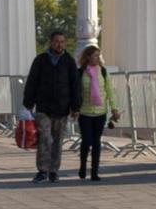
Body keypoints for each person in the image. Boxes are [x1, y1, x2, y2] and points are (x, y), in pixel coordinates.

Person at [20, 29, 79, 183]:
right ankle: (42, 170)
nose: (59, 44)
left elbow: (75, 85)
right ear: (51, 42)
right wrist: (28, 103)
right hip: (44, 108)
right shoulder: (40, 60)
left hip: (62, 107)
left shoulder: (69, 61)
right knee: (45, 139)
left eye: (62, 42)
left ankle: (54, 170)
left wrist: (75, 107)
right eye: (56, 41)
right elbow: (32, 82)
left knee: (58, 140)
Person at [73, 42, 112, 182]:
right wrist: (75, 109)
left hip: (100, 113)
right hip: (85, 113)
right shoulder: (80, 73)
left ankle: (94, 172)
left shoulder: (103, 71)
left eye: (99, 56)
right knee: (86, 141)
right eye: (95, 55)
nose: (98, 58)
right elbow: (76, 93)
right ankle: (83, 166)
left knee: (96, 142)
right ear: (88, 57)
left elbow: (110, 91)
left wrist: (115, 108)